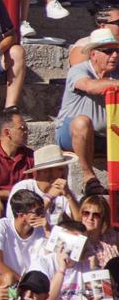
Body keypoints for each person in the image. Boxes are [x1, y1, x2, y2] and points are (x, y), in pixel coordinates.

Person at [57, 28, 119, 195]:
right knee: (82, 122)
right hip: (72, 134)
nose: (114, 55)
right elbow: (91, 86)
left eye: (116, 51)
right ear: (93, 54)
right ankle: (88, 177)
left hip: (107, 136)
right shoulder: (78, 70)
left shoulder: (116, 73)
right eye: (108, 51)